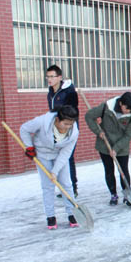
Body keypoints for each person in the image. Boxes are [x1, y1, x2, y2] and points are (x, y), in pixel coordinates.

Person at [20, 105, 80, 229]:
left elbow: (66, 153)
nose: (68, 127)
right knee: (48, 186)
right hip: (42, 155)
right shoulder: (42, 121)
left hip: (59, 155)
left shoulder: (74, 133)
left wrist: (55, 171)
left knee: (66, 184)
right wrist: (29, 146)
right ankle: (50, 216)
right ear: (57, 119)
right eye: (65, 124)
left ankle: (72, 213)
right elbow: (24, 129)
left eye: (71, 124)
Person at [85, 92, 131, 206]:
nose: (128, 111)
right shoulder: (106, 107)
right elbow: (89, 116)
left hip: (122, 146)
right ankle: (113, 194)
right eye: (126, 108)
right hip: (105, 145)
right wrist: (98, 131)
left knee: (123, 170)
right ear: (120, 103)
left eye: (130, 109)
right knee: (109, 170)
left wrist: (116, 149)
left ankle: (128, 195)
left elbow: (128, 136)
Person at [46, 65, 79, 197]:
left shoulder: (69, 92)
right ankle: (64, 187)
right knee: (59, 158)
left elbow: (73, 112)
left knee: (67, 157)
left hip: (68, 128)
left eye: (52, 76)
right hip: (56, 129)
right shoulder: (50, 92)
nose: (49, 79)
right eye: (48, 76)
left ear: (59, 77)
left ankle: (72, 188)